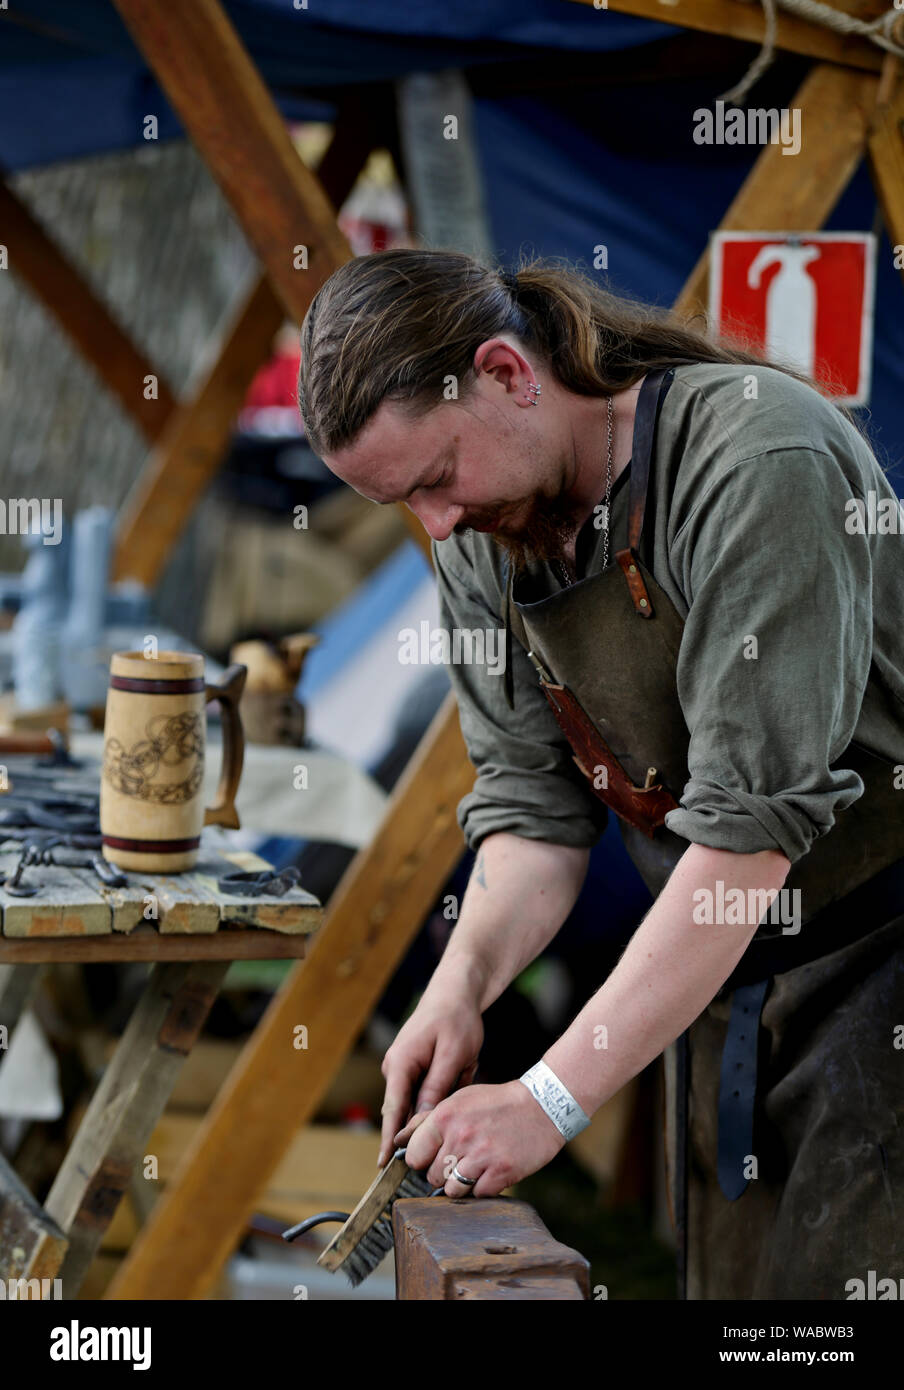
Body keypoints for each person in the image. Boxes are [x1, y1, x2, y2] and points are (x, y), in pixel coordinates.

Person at [296, 248, 904, 1299]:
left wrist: (549, 1099)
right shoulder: (486, 532)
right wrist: (461, 986)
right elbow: (532, 816)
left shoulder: (758, 459)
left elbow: (744, 838)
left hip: (881, 948)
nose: (436, 526)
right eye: (408, 503)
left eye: (437, 478)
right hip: (719, 974)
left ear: (505, 371)